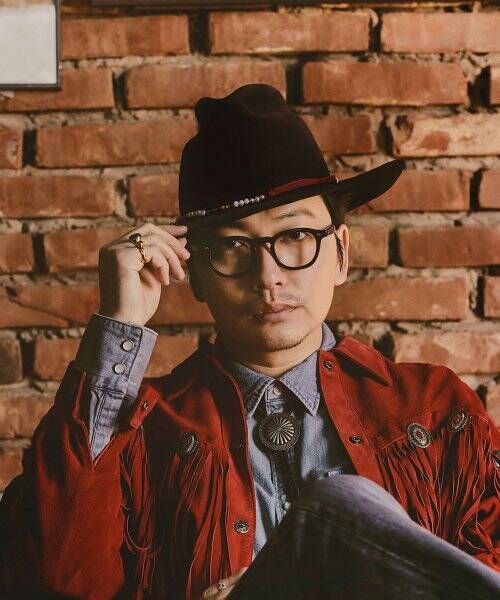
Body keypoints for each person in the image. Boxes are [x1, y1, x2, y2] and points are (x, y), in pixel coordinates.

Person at [0, 84, 499, 600]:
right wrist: (118, 323)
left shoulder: (433, 408)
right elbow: (56, 580)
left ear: (341, 253)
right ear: (195, 274)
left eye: (295, 237)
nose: (268, 277)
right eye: (232, 246)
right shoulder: (147, 430)